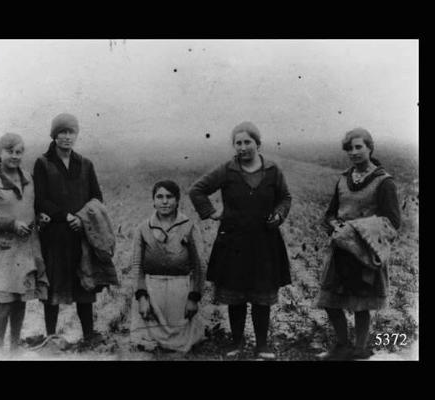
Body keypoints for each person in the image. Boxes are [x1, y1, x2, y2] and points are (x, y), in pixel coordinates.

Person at [189, 121, 292, 359]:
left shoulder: (273, 171)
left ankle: (262, 345)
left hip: (265, 242)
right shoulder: (227, 170)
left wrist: (279, 214)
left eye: (247, 142)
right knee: (236, 295)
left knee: (261, 295)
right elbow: (197, 190)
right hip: (233, 243)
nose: (243, 147)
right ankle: (236, 342)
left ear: (258, 143)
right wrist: (212, 213)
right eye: (238, 143)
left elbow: (285, 197)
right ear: (233, 146)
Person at [315, 128, 401, 361]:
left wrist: (358, 228)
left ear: (370, 148)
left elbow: (393, 221)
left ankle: (360, 349)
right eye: (349, 148)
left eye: (358, 147)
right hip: (341, 248)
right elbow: (330, 214)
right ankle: (342, 345)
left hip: (366, 250)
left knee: (362, 303)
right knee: (330, 300)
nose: (353, 152)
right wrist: (335, 226)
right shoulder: (343, 179)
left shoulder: (384, 182)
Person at [33, 113, 106, 347]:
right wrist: (65, 216)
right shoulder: (43, 163)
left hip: (79, 233)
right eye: (62, 132)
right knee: (53, 285)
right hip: (54, 236)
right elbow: (40, 199)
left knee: (84, 282)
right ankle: (51, 337)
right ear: (54, 135)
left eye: (71, 132)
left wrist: (82, 218)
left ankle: (89, 335)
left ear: (76, 134)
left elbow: (96, 197)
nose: (66, 137)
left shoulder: (85, 164)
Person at [0, 132, 49, 358]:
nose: (15, 156)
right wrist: (10, 224)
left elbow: (29, 207)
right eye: (10, 151)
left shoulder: (27, 177)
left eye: (19, 152)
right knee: (5, 302)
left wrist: (39, 217)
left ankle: (15, 349)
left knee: (21, 300)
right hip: (4, 250)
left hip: (26, 249)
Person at [130, 180, 205, 353]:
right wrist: (141, 297)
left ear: (177, 200)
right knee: (146, 341)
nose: (164, 202)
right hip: (152, 289)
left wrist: (194, 298)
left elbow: (199, 265)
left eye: (169, 197)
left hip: (180, 289)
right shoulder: (143, 228)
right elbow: (137, 265)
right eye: (160, 197)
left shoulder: (189, 226)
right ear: (153, 201)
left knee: (183, 342)